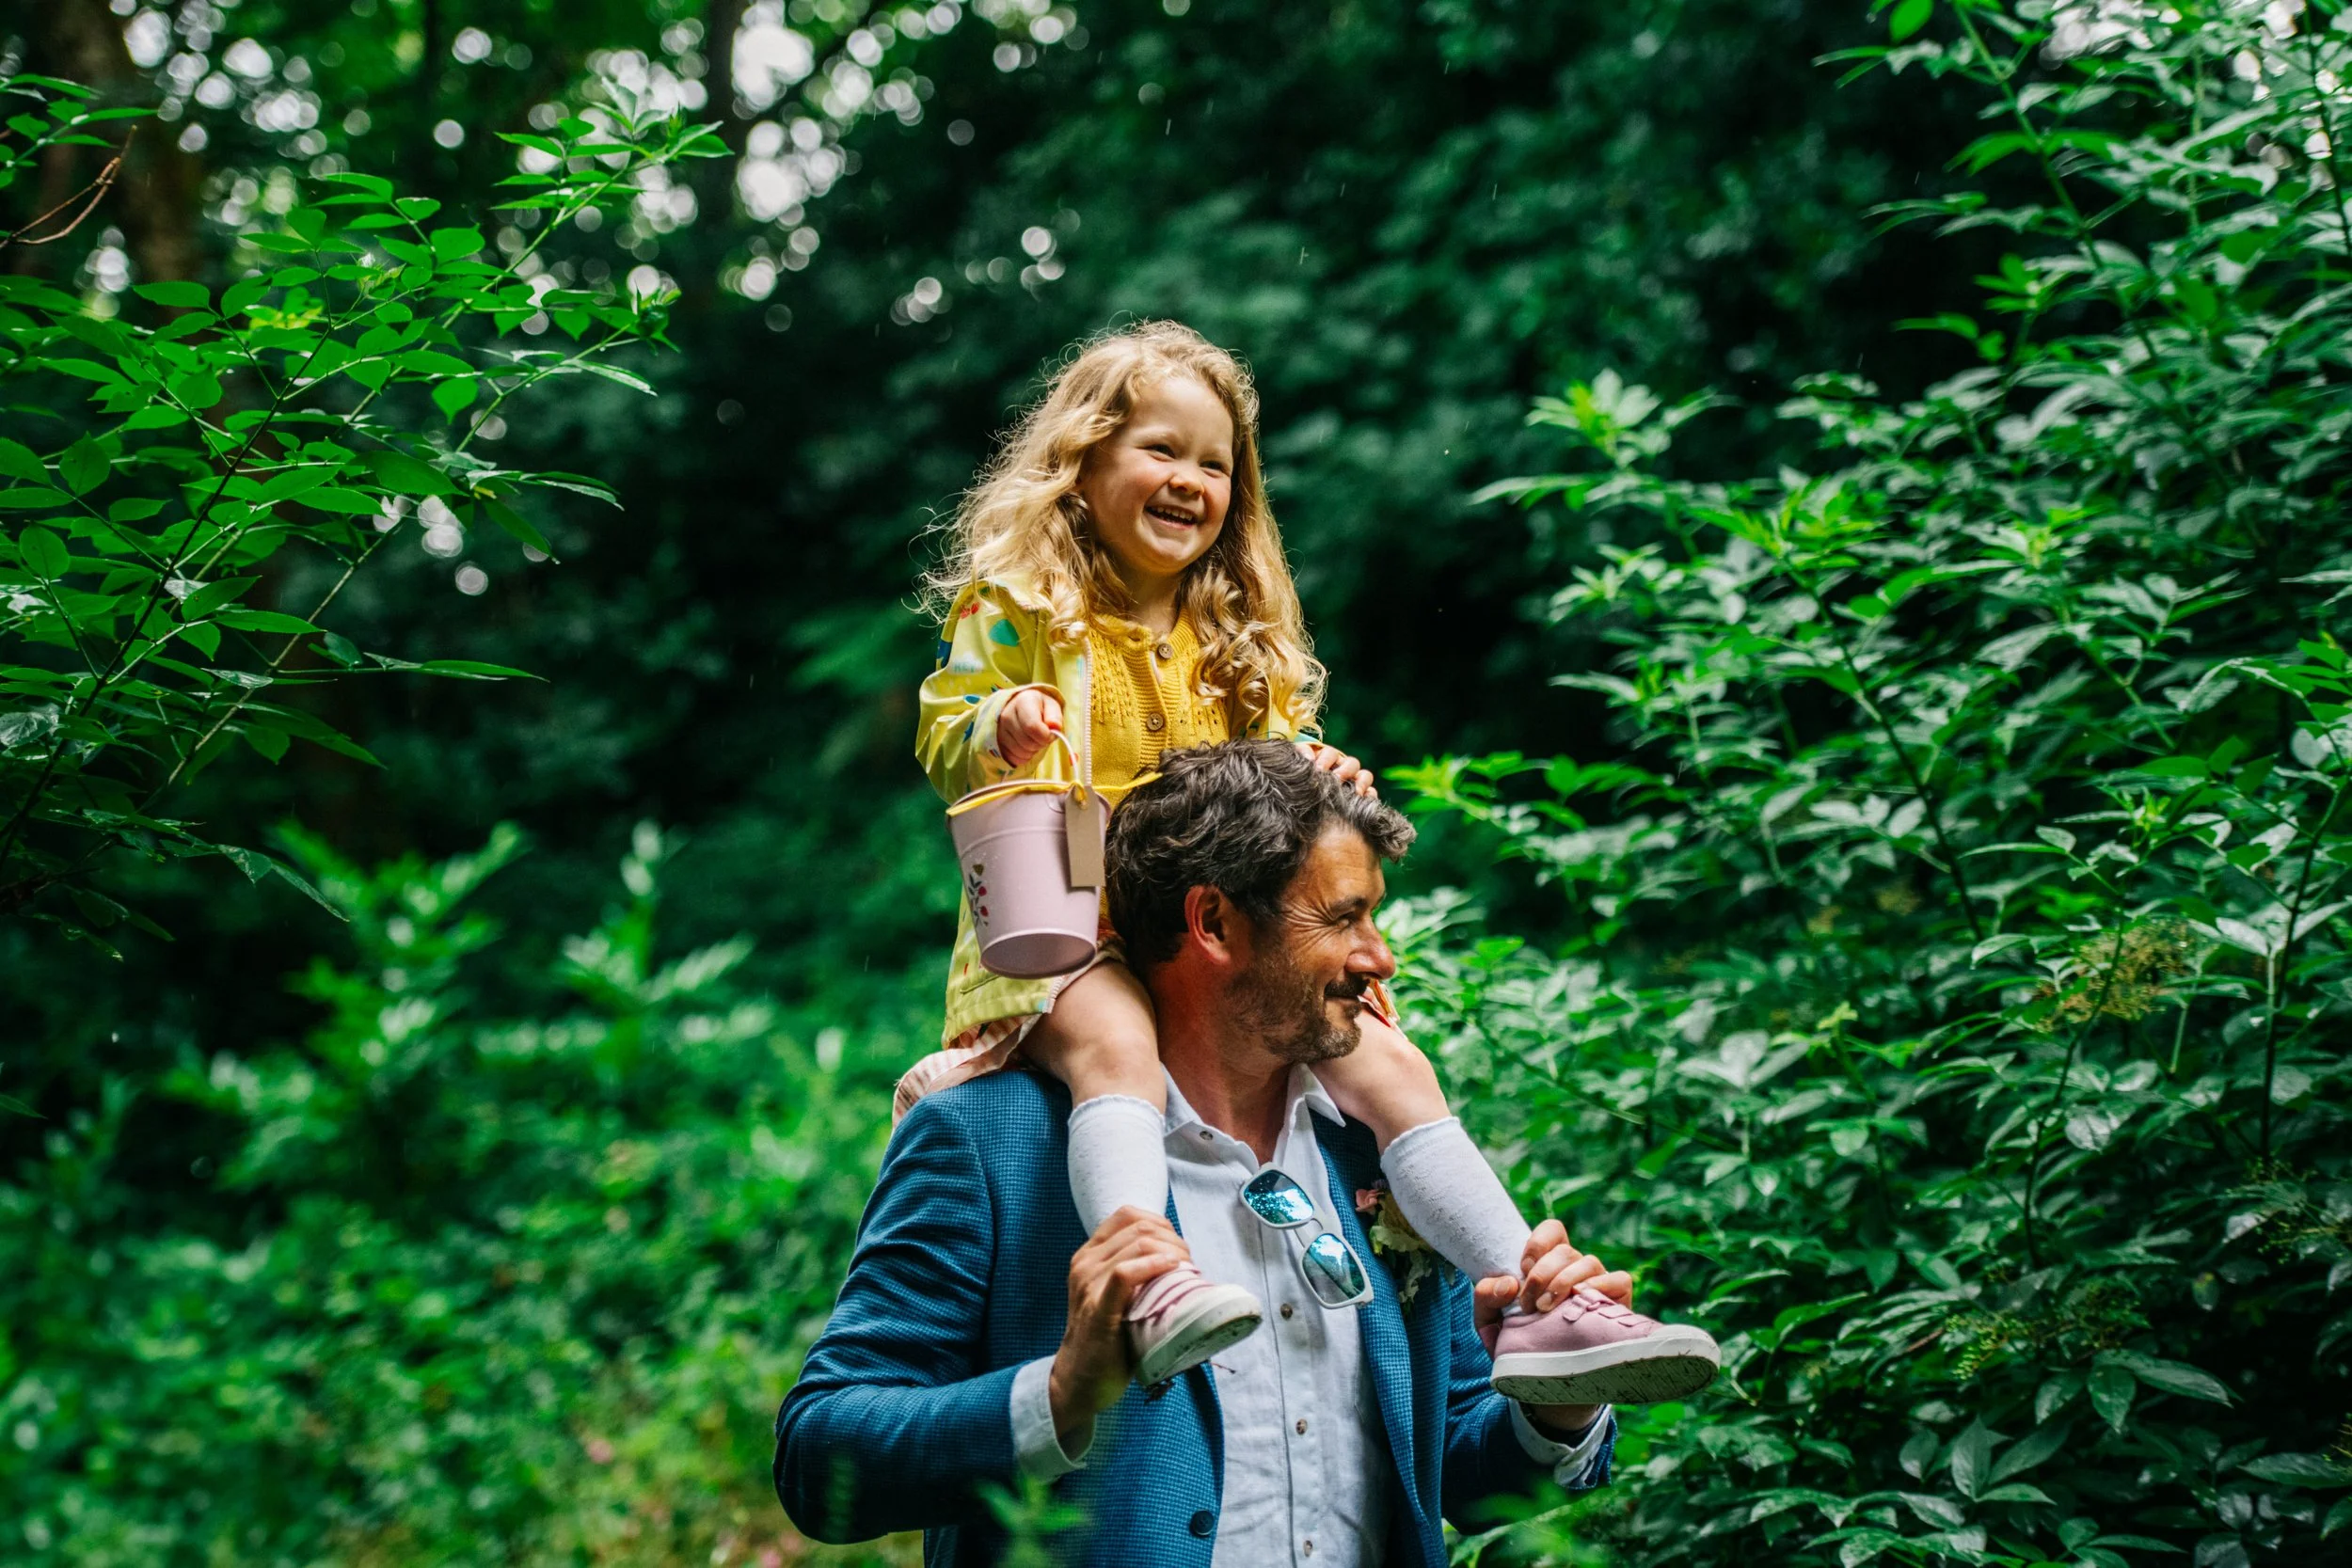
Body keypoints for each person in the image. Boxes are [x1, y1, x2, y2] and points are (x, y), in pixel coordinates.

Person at [898, 322, 1715, 1398]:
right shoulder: (1024, 605)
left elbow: (1278, 791)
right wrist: (1001, 719)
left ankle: (1533, 1302)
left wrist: (1319, 770)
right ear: (1082, 461)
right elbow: (944, 729)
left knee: (1391, 1068)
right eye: (1159, 449)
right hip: (1072, 915)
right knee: (1115, 1053)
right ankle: (1147, 1275)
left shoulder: (1233, 628)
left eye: (1215, 463)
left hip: (1229, 936)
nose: (1190, 479)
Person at [778, 740, 1635, 1565]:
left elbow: (1456, 1466)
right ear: (1215, 922)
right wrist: (1060, 1393)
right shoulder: (983, 1139)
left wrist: (1557, 1405)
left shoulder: (1377, 1151)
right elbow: (822, 1463)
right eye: (1344, 918)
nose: (1382, 958)